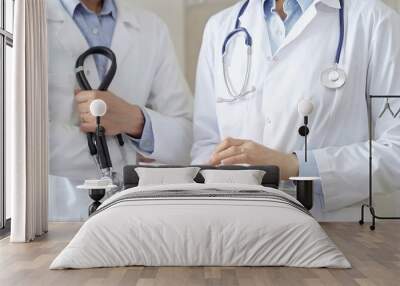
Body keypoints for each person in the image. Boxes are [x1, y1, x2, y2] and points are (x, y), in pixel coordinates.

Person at [191, 0, 400, 218]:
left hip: (332, 227)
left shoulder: (374, 20)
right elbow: (207, 146)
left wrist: (296, 165)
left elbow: (396, 150)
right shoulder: (221, 26)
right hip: (235, 224)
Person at [47, 0, 193, 220]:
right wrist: (129, 153)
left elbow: (188, 140)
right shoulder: (28, 20)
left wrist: (135, 121)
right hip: (57, 219)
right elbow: (23, 143)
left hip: (134, 218)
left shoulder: (152, 28)